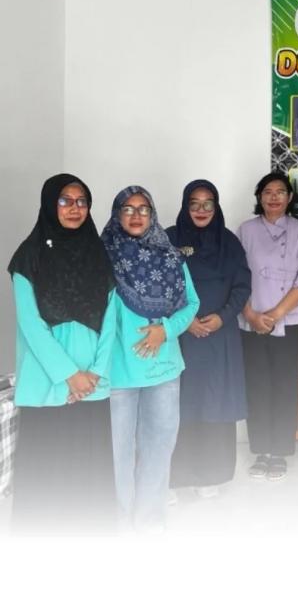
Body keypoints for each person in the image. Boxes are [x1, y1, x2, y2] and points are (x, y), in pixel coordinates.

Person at [8, 173, 117, 533]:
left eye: (82, 201)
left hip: (92, 383)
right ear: (49, 204)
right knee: (46, 480)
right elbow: (30, 323)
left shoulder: (99, 255)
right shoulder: (28, 257)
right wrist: (70, 375)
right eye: (65, 200)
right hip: (48, 383)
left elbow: (111, 320)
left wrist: (95, 373)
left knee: (89, 476)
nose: (75, 208)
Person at [102, 185, 199, 530]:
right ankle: (119, 522)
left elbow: (192, 304)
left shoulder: (170, 257)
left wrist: (166, 330)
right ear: (116, 214)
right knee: (117, 453)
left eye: (143, 209)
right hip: (118, 373)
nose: (136, 215)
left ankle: (149, 522)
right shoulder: (102, 257)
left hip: (163, 371)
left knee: (159, 448)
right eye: (127, 209)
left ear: (152, 214)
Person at [166, 180, 251, 499]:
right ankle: (175, 477)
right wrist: (185, 321)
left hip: (219, 336)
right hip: (181, 336)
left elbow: (242, 286)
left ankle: (211, 476)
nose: (201, 210)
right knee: (179, 404)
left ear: (216, 207)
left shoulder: (229, 243)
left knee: (215, 402)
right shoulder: (169, 239)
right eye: (194, 203)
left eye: (208, 203)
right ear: (185, 206)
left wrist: (222, 317)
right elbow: (160, 287)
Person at [237, 172, 298, 482]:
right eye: (267, 191)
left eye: (280, 192)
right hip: (251, 320)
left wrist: (275, 314)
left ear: (289, 197)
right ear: (259, 196)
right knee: (256, 385)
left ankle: (280, 452)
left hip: (289, 321)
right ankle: (261, 451)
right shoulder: (245, 230)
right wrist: (252, 315)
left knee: (284, 386)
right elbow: (236, 277)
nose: (273, 197)